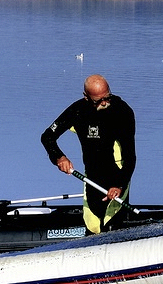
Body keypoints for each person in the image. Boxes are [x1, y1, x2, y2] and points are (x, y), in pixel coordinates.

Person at [40, 74, 137, 233]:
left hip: (118, 176)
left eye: (107, 97)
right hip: (91, 177)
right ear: (86, 97)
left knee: (112, 226)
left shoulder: (122, 112)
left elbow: (130, 156)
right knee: (92, 226)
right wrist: (58, 157)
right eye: (98, 101)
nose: (105, 103)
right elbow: (47, 137)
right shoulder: (78, 111)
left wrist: (119, 184)